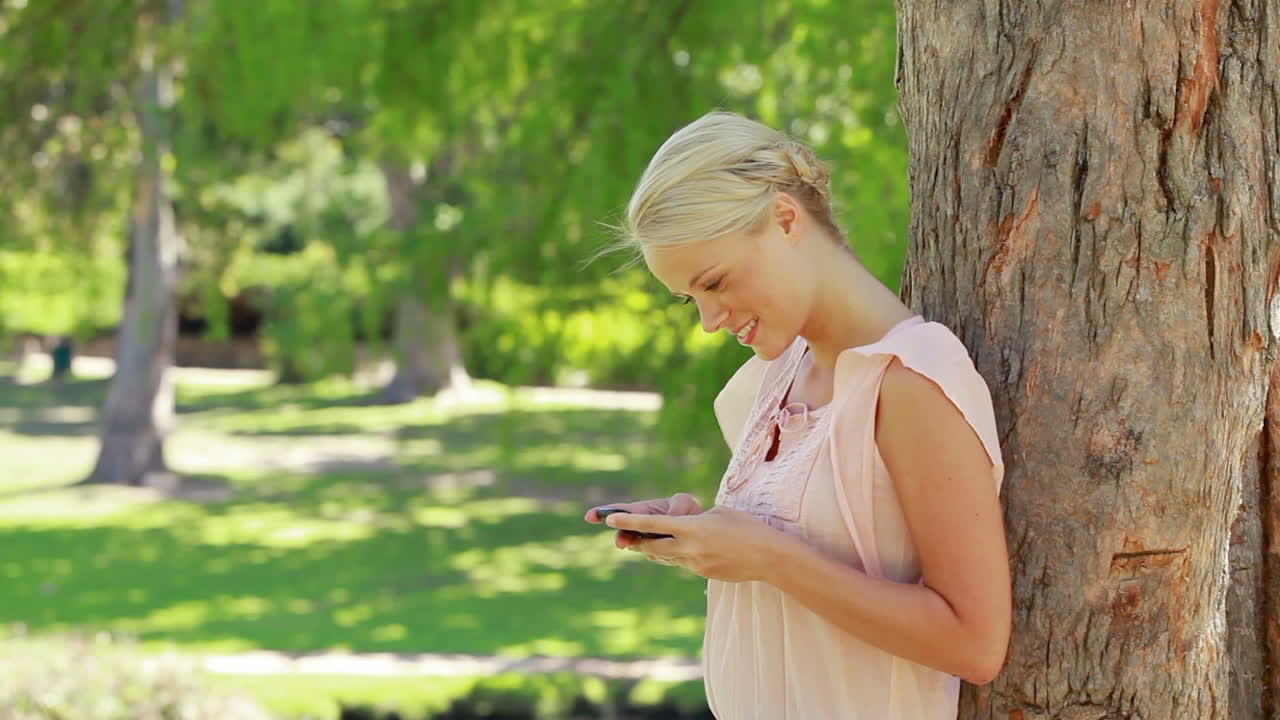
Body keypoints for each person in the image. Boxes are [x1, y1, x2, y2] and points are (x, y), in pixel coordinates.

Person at [583, 110, 1011, 719]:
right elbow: (809, 550)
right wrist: (704, 533)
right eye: (691, 299)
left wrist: (769, 558)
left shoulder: (910, 379)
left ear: (786, 219)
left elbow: (976, 642)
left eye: (716, 281)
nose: (709, 320)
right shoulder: (777, 376)